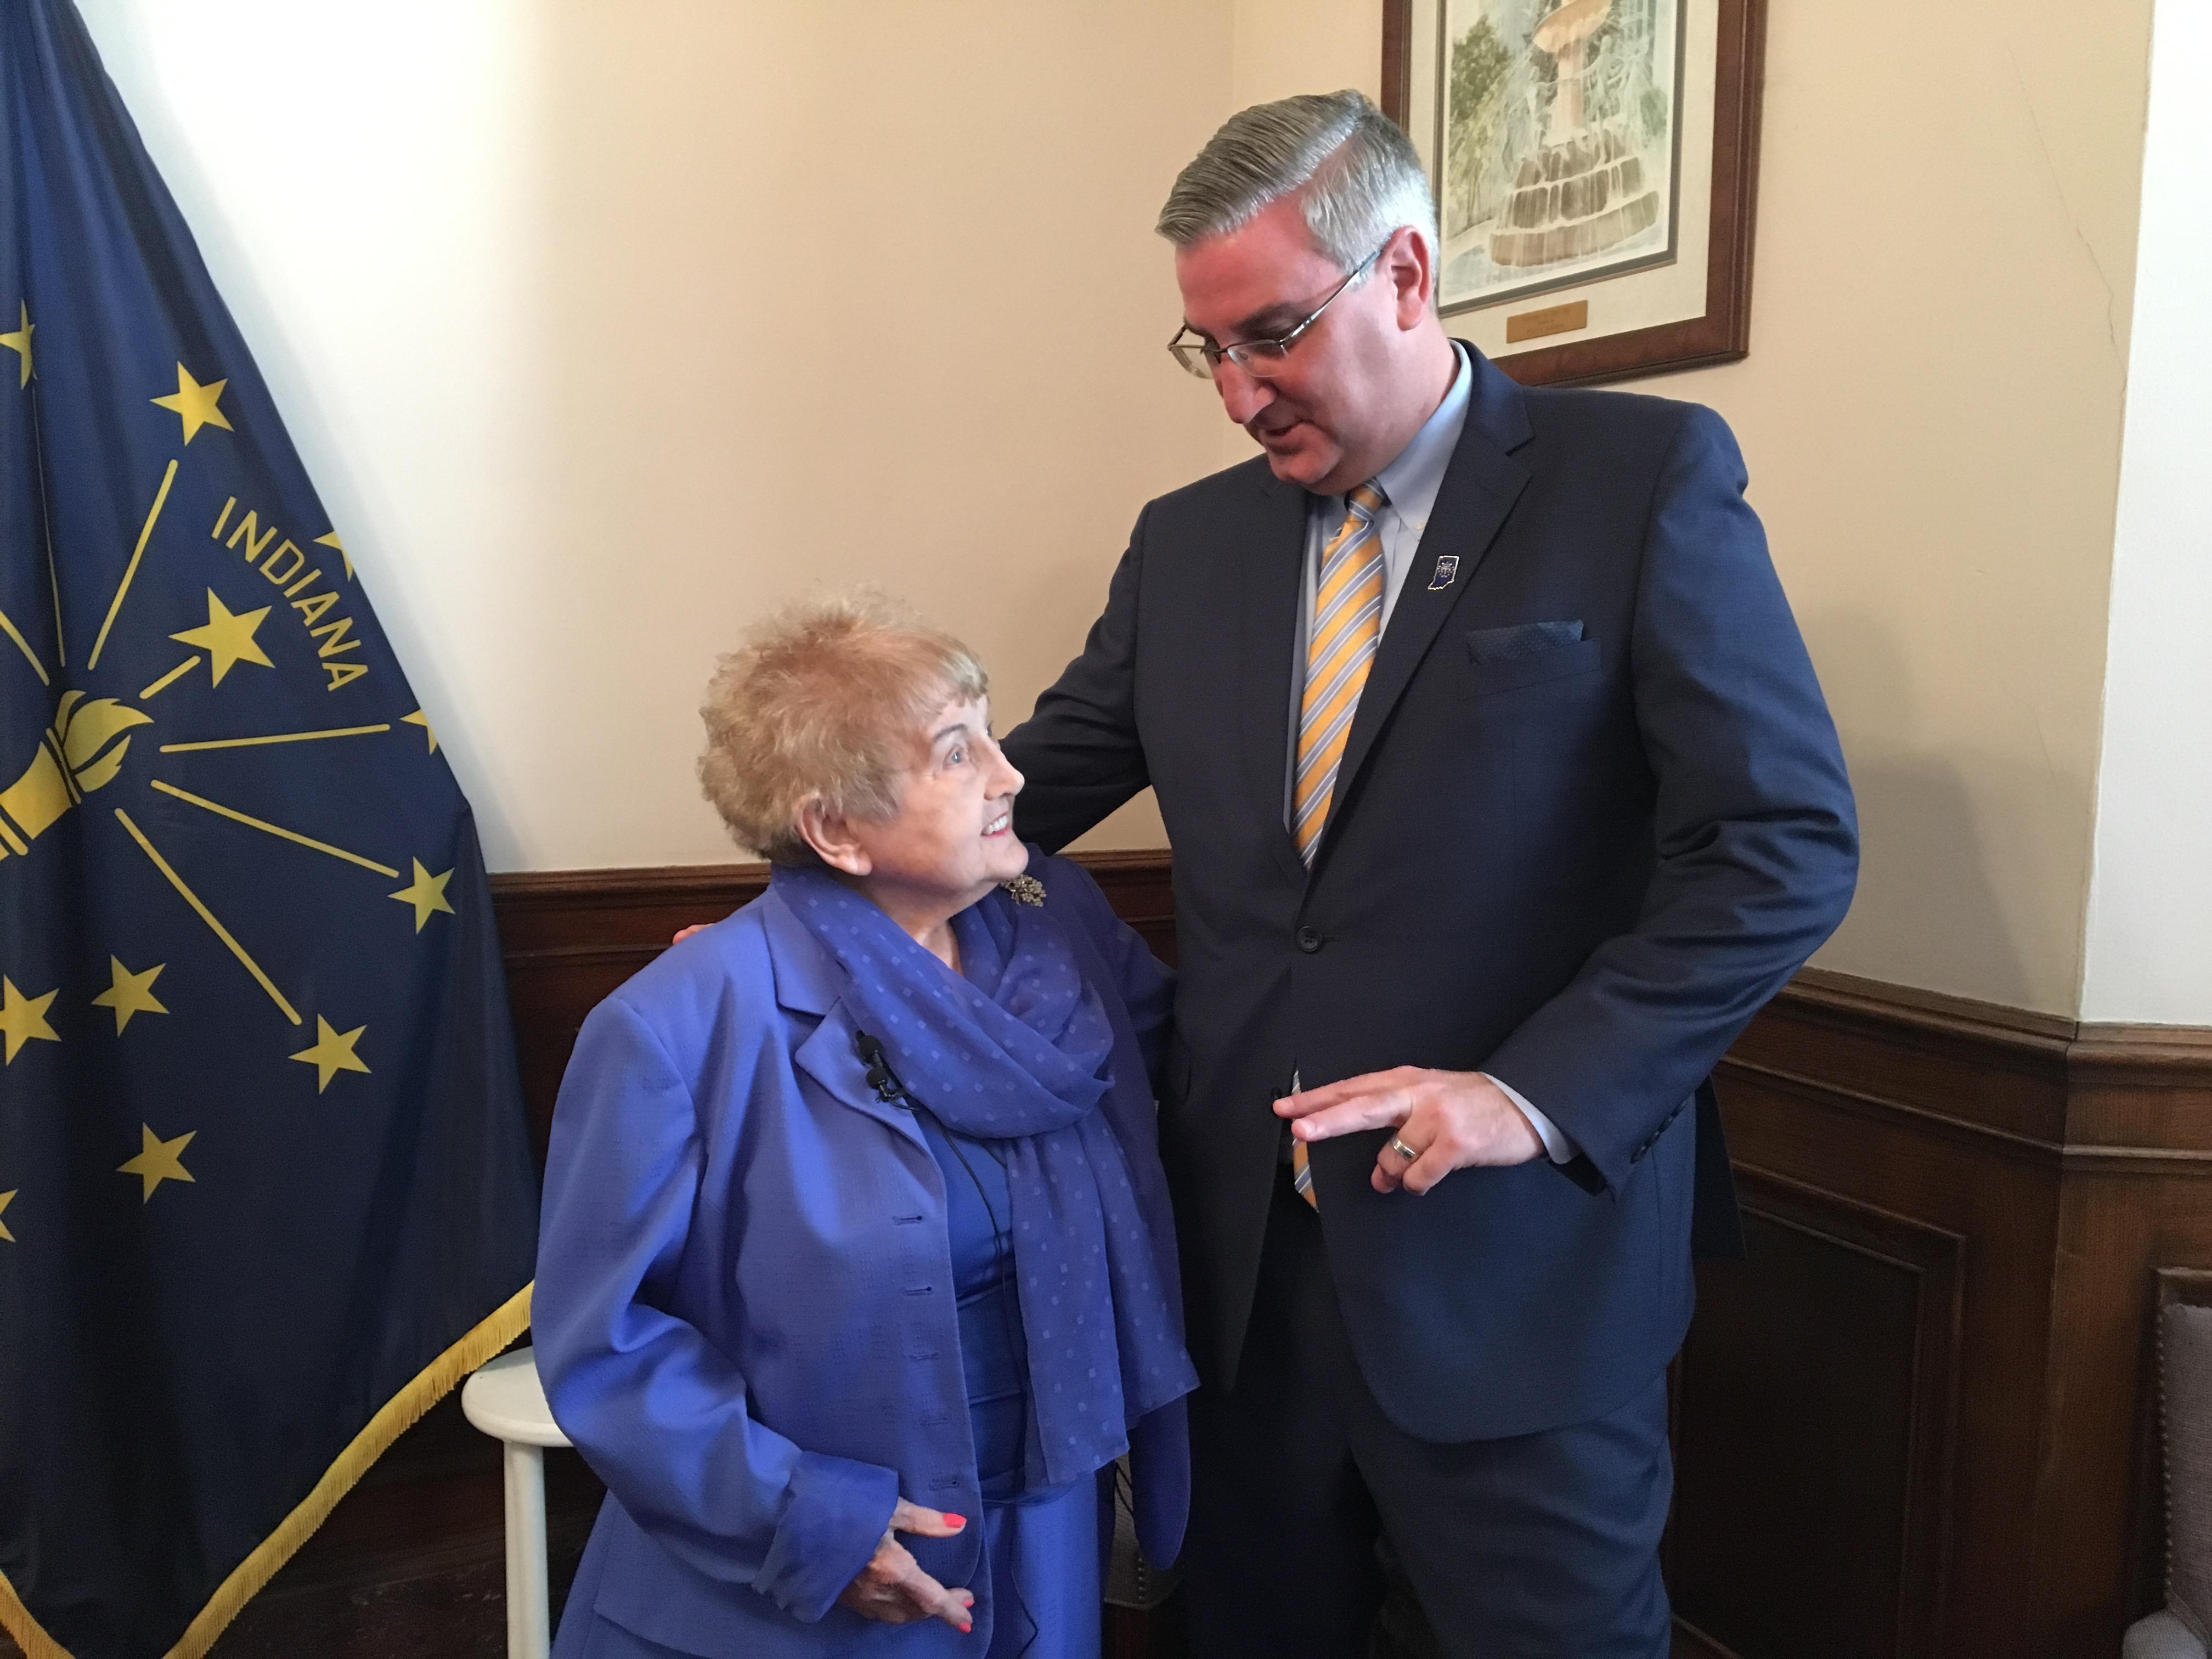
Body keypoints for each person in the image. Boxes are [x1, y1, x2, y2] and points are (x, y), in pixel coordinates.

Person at [1001, 91, 1859, 1657]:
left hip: (1519, 1276)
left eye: (1274, 334)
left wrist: (1528, 1094)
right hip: (1246, 1282)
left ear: (1404, 276)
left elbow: (1780, 847)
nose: (1243, 394)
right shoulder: (1187, 547)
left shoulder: (1640, 479)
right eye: (1212, 353)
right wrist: (812, 881)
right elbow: (1022, 792)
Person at [535, 599, 1195, 1659]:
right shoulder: (676, 1027)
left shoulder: (1057, 926)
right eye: (954, 751)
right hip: (814, 1582)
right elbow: (604, 1348)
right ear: (835, 831)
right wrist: (812, 1526)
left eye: (990, 727)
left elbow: (1210, 1069)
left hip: (1046, 1530)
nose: (1009, 770)